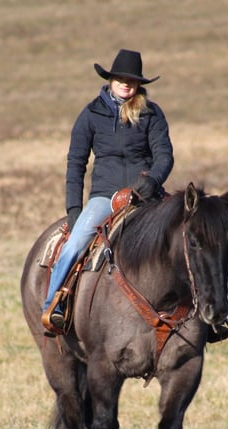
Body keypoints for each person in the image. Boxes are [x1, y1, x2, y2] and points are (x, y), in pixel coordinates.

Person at [41, 49, 174, 333]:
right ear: (111, 79)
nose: (126, 84)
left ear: (139, 84)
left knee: (187, 235)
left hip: (146, 194)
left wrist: (152, 180)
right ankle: (54, 305)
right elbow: (76, 163)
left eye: (132, 80)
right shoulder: (91, 114)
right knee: (75, 244)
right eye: (121, 78)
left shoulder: (151, 113)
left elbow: (164, 155)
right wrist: (74, 210)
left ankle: (206, 312)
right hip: (106, 196)